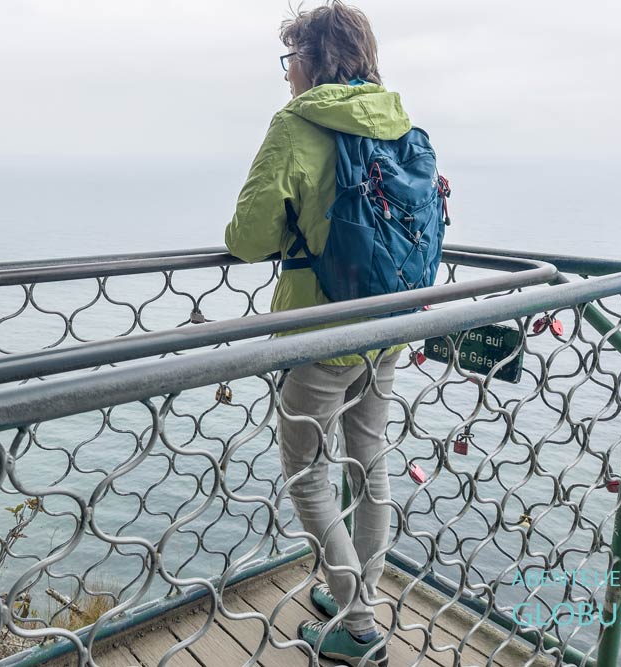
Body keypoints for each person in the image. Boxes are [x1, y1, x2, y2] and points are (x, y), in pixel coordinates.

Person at [224, 3, 416, 665]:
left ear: (310, 60)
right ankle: (355, 590)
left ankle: (358, 626)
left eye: (290, 61)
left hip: (320, 331)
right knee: (370, 469)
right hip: (391, 326)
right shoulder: (398, 118)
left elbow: (247, 239)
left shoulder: (295, 123)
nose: (286, 77)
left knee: (308, 476)